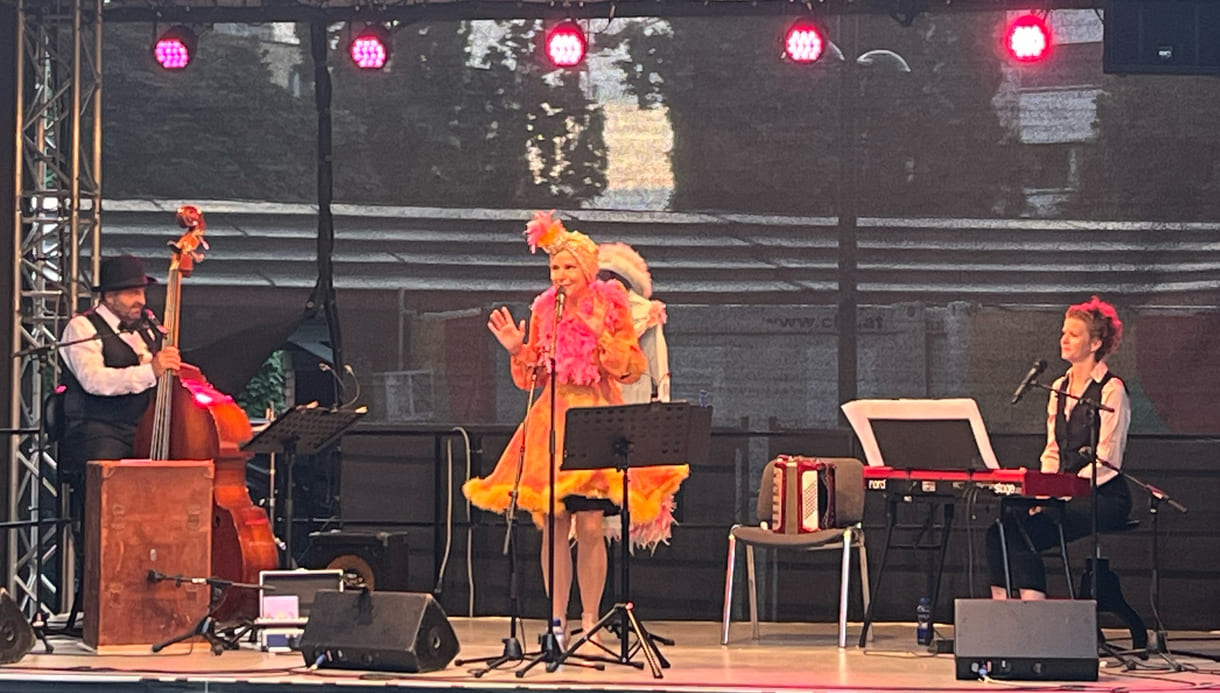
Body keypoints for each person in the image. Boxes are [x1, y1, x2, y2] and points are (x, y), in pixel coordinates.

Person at [463, 212, 690, 641]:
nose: (561, 275)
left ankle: (589, 620)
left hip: (596, 419)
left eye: (569, 267)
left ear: (587, 270)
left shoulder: (611, 305)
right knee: (552, 524)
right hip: (552, 421)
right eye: (555, 267)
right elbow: (531, 378)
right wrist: (518, 349)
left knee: (589, 525)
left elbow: (632, 367)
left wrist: (602, 342)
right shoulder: (544, 309)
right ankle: (556, 622)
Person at [985, 296, 1133, 600]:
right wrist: (1043, 491)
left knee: (1025, 531)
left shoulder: (1111, 389)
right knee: (1001, 528)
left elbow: (1107, 460)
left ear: (1095, 343)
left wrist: (1059, 495)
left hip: (1103, 496)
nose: (1063, 339)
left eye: (1073, 334)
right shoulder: (1059, 387)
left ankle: (1035, 617)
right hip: (1064, 492)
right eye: (1063, 332)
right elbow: (1052, 450)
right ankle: (1003, 615)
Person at [58, 255, 181, 521]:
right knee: (110, 510)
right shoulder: (82, 327)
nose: (142, 300)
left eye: (143, 292)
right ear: (110, 296)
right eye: (133, 293)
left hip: (140, 431)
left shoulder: (143, 331)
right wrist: (151, 371)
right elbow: (94, 380)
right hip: (98, 432)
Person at [597, 242, 670, 404]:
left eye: (610, 277)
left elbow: (658, 359)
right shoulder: (591, 310)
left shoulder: (645, 312)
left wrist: (663, 397)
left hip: (632, 391)